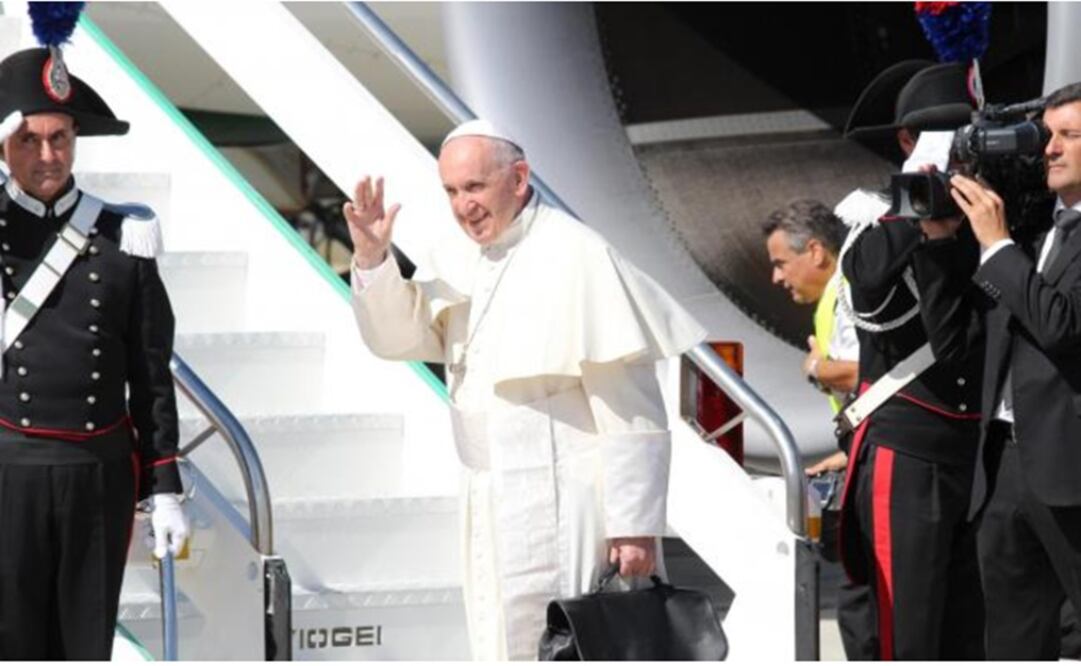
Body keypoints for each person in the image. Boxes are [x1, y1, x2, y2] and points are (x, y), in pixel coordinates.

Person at [347, 119, 705, 660]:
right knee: (497, 642)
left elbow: (629, 403)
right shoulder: (456, 253)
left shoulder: (576, 251)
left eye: (474, 188)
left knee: (568, 644)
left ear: (518, 178)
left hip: (566, 492)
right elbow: (402, 338)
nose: (463, 206)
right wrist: (374, 260)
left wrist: (633, 526)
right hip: (487, 492)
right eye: (450, 191)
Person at [0, 46, 189, 658]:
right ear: (4, 145)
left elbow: (150, 372)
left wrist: (163, 485)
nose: (47, 156)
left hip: (97, 477)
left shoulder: (121, 238)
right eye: (28, 140)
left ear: (76, 138)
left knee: (85, 647)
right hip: (7, 475)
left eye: (59, 138)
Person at [926, 81, 1081, 659]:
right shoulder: (1033, 230)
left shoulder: (1013, 242)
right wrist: (945, 241)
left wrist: (996, 244)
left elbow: (1062, 324)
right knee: (1013, 638)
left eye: (1069, 135)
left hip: (1071, 465)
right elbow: (962, 336)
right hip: (1006, 463)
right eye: (1048, 135)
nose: (1050, 148)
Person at [837, 61, 986, 660]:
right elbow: (866, 280)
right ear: (908, 140)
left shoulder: (989, 212)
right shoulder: (876, 217)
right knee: (911, 626)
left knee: (969, 628)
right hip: (912, 441)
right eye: (943, 131)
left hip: (977, 449)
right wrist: (917, 193)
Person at [762, 199, 875, 660]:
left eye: (780, 263)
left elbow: (866, 374)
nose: (776, 277)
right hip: (865, 449)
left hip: (881, 461)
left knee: (862, 598)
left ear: (815, 251)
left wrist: (817, 368)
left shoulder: (848, 292)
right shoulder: (840, 291)